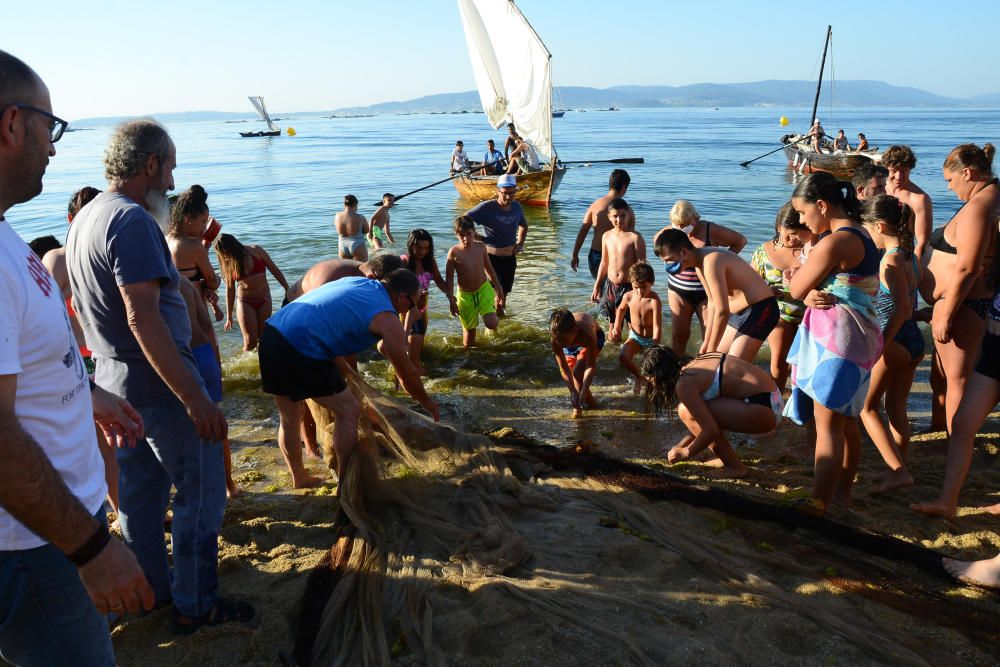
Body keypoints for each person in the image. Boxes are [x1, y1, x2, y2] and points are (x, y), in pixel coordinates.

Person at [67, 119, 254, 632]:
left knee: (141, 498)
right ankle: (197, 604)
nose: (172, 183)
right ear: (149, 164)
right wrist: (194, 397)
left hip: (116, 384)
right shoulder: (130, 221)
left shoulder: (86, 218)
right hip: (161, 389)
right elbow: (142, 315)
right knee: (201, 493)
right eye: (169, 168)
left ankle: (153, 591)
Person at [0, 49, 153, 665]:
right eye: (50, 127)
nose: (54, 149)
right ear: (12, 124)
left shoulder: (8, 235)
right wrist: (92, 549)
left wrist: (83, 392)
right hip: (37, 546)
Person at [259, 270, 440, 486]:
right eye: (413, 304)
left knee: (290, 417)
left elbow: (326, 321)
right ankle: (347, 479)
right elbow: (407, 376)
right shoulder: (387, 319)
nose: (414, 312)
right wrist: (428, 404)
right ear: (402, 297)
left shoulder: (357, 282)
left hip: (272, 334)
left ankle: (299, 478)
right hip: (301, 346)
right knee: (349, 409)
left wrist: (345, 370)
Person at [783, 172, 882, 515]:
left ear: (822, 206)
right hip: (858, 339)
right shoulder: (862, 233)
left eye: (803, 212)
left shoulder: (835, 241)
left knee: (827, 427)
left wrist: (802, 284)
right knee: (845, 421)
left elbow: (795, 291)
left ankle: (819, 501)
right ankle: (841, 494)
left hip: (838, 342)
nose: (801, 220)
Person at [912, 143, 999, 520]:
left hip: (968, 307)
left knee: (958, 384)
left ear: (968, 173)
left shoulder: (982, 205)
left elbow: (966, 268)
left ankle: (954, 457)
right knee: (955, 385)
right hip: (976, 307)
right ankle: (951, 476)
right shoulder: (989, 198)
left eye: (949, 180)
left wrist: (945, 311)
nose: (948, 188)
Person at [858, 195, 923, 494]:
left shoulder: (890, 261)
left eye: (868, 229)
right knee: (896, 407)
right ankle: (898, 466)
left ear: (880, 226)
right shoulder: (911, 255)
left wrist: (880, 346)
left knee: (867, 409)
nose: (868, 235)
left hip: (894, 340)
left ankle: (898, 471)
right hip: (914, 340)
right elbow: (917, 298)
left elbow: (901, 310)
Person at [640, 346, 783, 480]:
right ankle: (726, 458)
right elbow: (702, 419)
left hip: (764, 411)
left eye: (651, 382)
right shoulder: (696, 363)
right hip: (773, 402)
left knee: (684, 411)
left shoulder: (684, 384)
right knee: (690, 412)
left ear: (659, 375)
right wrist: (680, 445)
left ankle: (735, 467)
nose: (652, 387)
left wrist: (686, 453)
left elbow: (710, 429)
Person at [654, 229, 776, 361]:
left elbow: (722, 311)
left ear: (684, 252)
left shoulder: (711, 261)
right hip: (739, 312)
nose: (667, 265)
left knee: (731, 365)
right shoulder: (699, 265)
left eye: (669, 260)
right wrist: (707, 342)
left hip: (762, 308)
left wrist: (712, 348)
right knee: (717, 361)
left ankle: (763, 382)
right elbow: (712, 303)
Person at [178, 277, 238, 498]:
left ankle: (198, 487)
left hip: (175, 357)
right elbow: (207, 327)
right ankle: (229, 486)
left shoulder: (146, 284)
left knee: (177, 428)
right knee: (215, 423)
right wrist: (216, 360)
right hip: (203, 352)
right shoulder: (184, 283)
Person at [662, 199, 746, 356]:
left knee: (710, 334)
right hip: (678, 290)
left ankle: (707, 369)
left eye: (685, 224)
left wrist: (723, 264)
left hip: (706, 293)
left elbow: (740, 241)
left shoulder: (710, 230)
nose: (681, 229)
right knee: (678, 336)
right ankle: (676, 372)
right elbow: (658, 243)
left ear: (695, 219)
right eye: (677, 225)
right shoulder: (670, 232)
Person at [749, 202, 812, 390]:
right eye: (789, 233)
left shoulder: (810, 250)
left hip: (808, 314)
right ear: (779, 227)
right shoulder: (763, 252)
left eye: (797, 233)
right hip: (779, 314)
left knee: (803, 362)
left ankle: (800, 398)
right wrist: (766, 291)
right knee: (779, 362)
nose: (793, 239)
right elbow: (751, 286)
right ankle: (776, 398)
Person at [213, 232, 289, 352]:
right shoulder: (229, 263)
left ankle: (261, 366)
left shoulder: (256, 250)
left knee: (263, 338)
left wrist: (286, 288)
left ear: (231, 246)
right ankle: (246, 365)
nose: (224, 256)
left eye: (224, 252)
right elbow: (230, 289)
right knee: (250, 342)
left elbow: (274, 269)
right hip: (245, 302)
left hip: (264, 299)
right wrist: (229, 316)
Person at [464, 174, 527, 305]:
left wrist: (520, 244)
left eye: (511, 193)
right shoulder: (486, 207)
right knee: (497, 294)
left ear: (515, 190)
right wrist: (478, 237)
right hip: (490, 259)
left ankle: (500, 322)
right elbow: (463, 221)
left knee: (503, 295)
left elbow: (524, 226)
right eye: (505, 193)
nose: (508, 197)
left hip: (510, 259)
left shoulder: (517, 207)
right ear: (498, 191)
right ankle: (494, 321)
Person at [446, 215, 506, 348]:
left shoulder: (481, 247)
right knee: (469, 341)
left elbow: (489, 269)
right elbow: (449, 280)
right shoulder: (453, 253)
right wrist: (451, 300)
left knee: (492, 323)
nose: (466, 239)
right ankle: (470, 360)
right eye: (462, 235)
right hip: (465, 296)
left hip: (483, 289)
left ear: (474, 232)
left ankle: (491, 326)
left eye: (469, 234)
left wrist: (499, 289)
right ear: (456, 234)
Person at [167, 184, 223, 321]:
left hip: (172, 310)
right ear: (188, 219)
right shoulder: (193, 246)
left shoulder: (166, 239)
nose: (205, 227)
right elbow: (212, 282)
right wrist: (216, 279)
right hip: (193, 312)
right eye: (203, 222)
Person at [591, 198, 646, 327]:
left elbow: (642, 267)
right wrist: (597, 285)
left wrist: (640, 290)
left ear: (628, 215)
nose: (619, 220)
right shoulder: (606, 236)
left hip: (629, 287)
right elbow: (604, 263)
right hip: (610, 287)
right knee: (612, 325)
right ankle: (614, 347)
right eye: (615, 216)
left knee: (633, 324)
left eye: (623, 216)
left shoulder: (635, 237)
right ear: (609, 216)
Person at [609, 261, 662, 394]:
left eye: (644, 287)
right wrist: (616, 326)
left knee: (652, 372)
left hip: (651, 340)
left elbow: (657, 326)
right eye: (635, 287)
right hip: (636, 337)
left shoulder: (654, 301)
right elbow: (620, 309)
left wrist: (655, 346)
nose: (639, 291)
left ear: (652, 282)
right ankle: (639, 377)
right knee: (623, 357)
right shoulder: (628, 296)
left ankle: (650, 395)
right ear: (631, 284)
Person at [570, 169, 633, 277]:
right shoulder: (627, 211)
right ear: (624, 187)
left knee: (599, 289)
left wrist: (575, 254)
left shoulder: (595, 205)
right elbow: (631, 239)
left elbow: (583, 230)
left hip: (596, 255)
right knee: (614, 291)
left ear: (610, 184)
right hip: (617, 256)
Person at [401, 229, 447, 375]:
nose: (422, 251)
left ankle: (403, 372)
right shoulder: (404, 261)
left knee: (417, 348)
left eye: (426, 248)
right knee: (411, 355)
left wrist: (451, 297)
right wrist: (414, 291)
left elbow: (439, 281)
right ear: (411, 245)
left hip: (423, 310)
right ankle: (419, 381)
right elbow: (394, 286)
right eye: (419, 247)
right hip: (408, 311)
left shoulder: (429, 261)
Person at [284, 252, 403, 305]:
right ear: (371, 277)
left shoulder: (362, 270)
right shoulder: (331, 280)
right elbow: (313, 314)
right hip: (295, 306)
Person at [549, 309, 604, 418]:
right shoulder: (558, 339)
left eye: (562, 340)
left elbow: (590, 366)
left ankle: (579, 409)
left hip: (595, 337)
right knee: (575, 381)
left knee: (578, 373)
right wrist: (573, 392)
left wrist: (583, 390)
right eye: (557, 340)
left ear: (575, 330)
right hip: (570, 342)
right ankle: (593, 406)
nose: (560, 344)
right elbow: (563, 368)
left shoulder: (587, 334)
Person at [883, 145, 933, 259]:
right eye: (894, 171)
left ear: (910, 169)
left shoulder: (919, 198)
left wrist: (915, 270)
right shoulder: (880, 188)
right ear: (886, 168)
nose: (898, 177)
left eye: (904, 171)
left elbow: (922, 243)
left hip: (902, 256)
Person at [335, 194, 369, 261]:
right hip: (357, 244)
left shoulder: (337, 216)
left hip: (342, 245)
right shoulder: (360, 217)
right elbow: (366, 231)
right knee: (362, 269)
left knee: (346, 270)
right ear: (356, 204)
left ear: (344, 205)